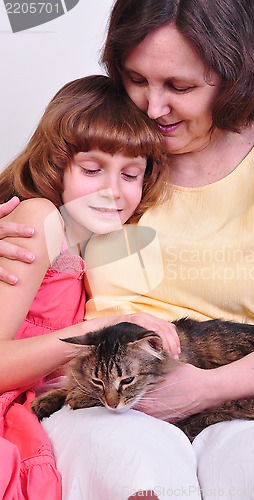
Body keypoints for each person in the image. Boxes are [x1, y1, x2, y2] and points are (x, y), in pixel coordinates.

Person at [1, 0, 254, 499]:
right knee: (135, 475)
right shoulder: (113, 156)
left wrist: (206, 388)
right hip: (106, 393)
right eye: (136, 79)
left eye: (180, 87)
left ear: (235, 76)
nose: (153, 109)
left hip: (241, 384)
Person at [0, 73, 172, 499]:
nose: (113, 191)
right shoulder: (40, 219)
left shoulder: (91, 247)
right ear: (57, 162)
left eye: (131, 175)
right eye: (93, 169)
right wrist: (108, 330)